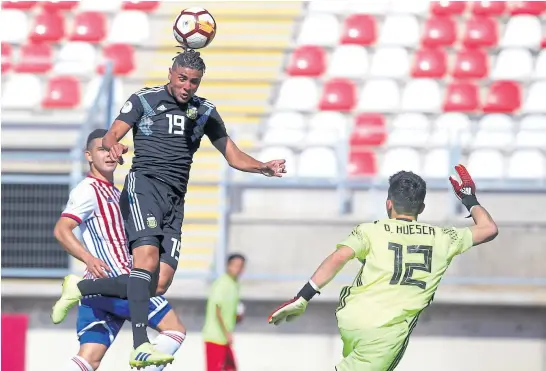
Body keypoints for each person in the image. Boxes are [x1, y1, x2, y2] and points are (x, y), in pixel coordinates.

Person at [51, 47, 286, 368]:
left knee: (158, 283)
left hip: (175, 200)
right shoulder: (144, 100)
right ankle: (140, 344)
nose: (188, 86)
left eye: (194, 81)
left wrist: (263, 167)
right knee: (144, 262)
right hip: (143, 189)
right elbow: (112, 134)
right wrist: (114, 144)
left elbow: (232, 154)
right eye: (182, 78)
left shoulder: (205, 111)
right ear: (171, 74)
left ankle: (80, 287)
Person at [268, 166, 499, 371]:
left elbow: (339, 256)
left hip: (353, 318)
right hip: (385, 333)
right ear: (422, 207)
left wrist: (303, 297)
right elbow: (488, 228)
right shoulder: (444, 237)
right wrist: (469, 199)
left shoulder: (370, 230)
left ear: (388, 203)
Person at [53, 129, 186, 370]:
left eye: (112, 148)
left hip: (97, 290)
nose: (108, 154)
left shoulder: (118, 193)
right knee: (175, 330)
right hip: (120, 282)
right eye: (101, 149)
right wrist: (88, 257)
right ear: (89, 155)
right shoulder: (88, 190)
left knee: (88, 358)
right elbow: (62, 229)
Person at [202, 253, 246, 371]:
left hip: (224, 338)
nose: (238, 269)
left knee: (231, 368)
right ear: (228, 266)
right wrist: (227, 332)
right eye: (235, 265)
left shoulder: (234, 284)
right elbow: (217, 308)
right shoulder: (222, 283)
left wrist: (237, 316)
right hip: (215, 337)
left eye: (241, 266)